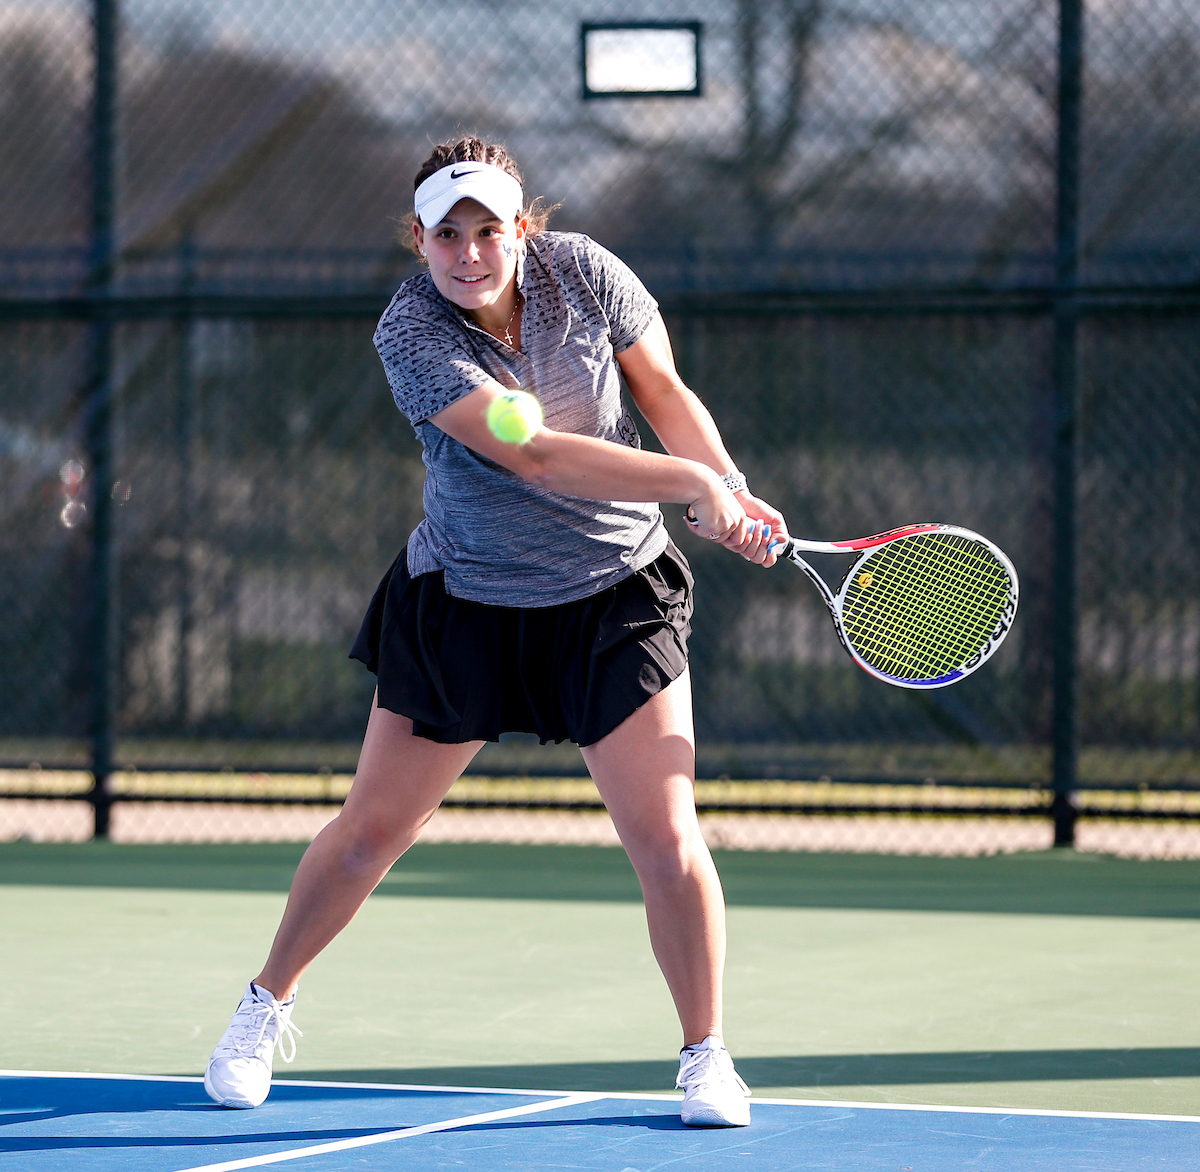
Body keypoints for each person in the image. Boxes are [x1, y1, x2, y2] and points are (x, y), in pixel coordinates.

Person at [203, 135, 790, 1128]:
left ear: (524, 228)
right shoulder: (412, 335)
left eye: (489, 230)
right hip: (466, 601)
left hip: (616, 596)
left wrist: (726, 486)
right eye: (447, 236)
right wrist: (693, 485)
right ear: (420, 242)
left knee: (667, 835)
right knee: (371, 833)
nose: (470, 254)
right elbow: (541, 456)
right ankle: (264, 1003)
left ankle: (706, 1054)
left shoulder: (590, 274)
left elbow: (664, 396)